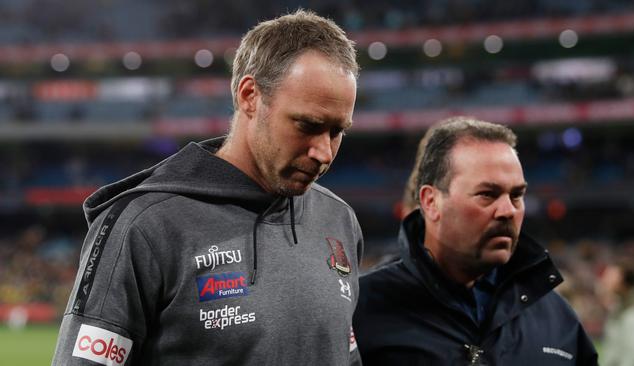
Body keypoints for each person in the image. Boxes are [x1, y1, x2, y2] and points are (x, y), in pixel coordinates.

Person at [52, 10, 363, 366]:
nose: (323, 152)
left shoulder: (339, 221)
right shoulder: (144, 227)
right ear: (250, 96)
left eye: (337, 132)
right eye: (307, 125)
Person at [353, 117, 598, 365]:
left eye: (516, 195)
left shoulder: (558, 319)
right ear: (431, 202)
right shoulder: (361, 309)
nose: (507, 210)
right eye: (487, 194)